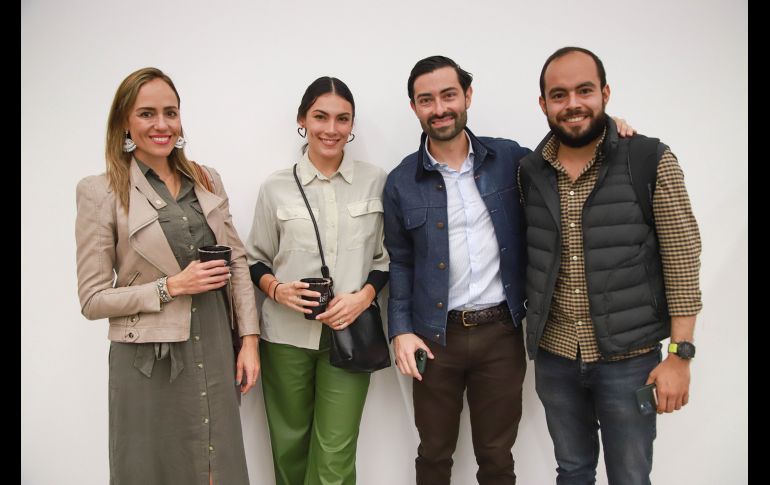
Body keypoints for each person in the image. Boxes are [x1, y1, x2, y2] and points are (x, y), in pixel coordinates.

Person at [383, 55, 636, 485]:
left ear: (467, 96)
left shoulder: (511, 160)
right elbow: (401, 261)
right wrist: (400, 329)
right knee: (433, 453)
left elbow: (568, 147)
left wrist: (612, 129)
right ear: (414, 107)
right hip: (433, 339)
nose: (439, 107)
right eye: (426, 100)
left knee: (497, 456)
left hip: (500, 335)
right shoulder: (401, 181)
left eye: (448, 95)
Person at [518, 47, 702, 485]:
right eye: (558, 95)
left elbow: (682, 261)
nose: (573, 104)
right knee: (573, 472)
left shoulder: (650, 160)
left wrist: (680, 354)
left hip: (629, 360)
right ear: (543, 104)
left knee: (630, 476)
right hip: (556, 357)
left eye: (584, 90)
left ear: (605, 93)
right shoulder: (529, 172)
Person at [75, 67, 260, 485]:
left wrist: (248, 342)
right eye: (147, 114)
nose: (162, 125)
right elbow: (92, 299)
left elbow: (238, 262)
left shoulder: (206, 178)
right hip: (147, 361)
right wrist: (170, 286)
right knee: (152, 469)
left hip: (214, 344)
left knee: (219, 469)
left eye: (170, 113)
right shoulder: (99, 192)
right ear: (124, 121)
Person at [245, 76, 389, 485]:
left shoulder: (376, 180)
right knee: (290, 446)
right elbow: (255, 259)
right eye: (320, 117)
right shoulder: (275, 186)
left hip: (352, 334)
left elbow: (386, 258)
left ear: (352, 125)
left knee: (335, 453)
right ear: (302, 121)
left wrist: (363, 297)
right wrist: (278, 289)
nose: (331, 128)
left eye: (342, 119)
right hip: (286, 337)